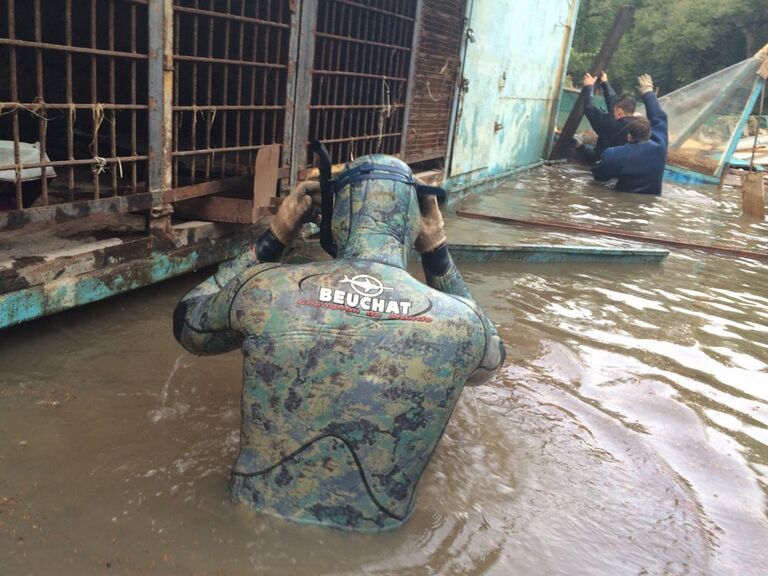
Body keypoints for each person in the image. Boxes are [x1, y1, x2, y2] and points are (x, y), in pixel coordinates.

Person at [172, 154, 505, 530]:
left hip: (252, 521)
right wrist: (438, 250)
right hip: (377, 540)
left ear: (336, 218)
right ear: (415, 221)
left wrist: (277, 234)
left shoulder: (264, 288)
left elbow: (189, 323)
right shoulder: (463, 323)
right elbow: (491, 359)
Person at [591, 74, 668, 195]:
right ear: (649, 133)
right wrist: (648, 92)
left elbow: (599, 176)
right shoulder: (660, 146)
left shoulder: (615, 154)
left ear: (629, 136)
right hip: (651, 203)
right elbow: (659, 118)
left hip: (622, 200)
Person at [576, 72, 636, 164]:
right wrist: (604, 83)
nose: (612, 113)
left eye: (614, 111)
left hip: (604, 165)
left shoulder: (612, 125)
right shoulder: (638, 124)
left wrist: (588, 87)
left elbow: (590, 109)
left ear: (620, 112)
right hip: (625, 165)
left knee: (584, 150)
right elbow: (613, 102)